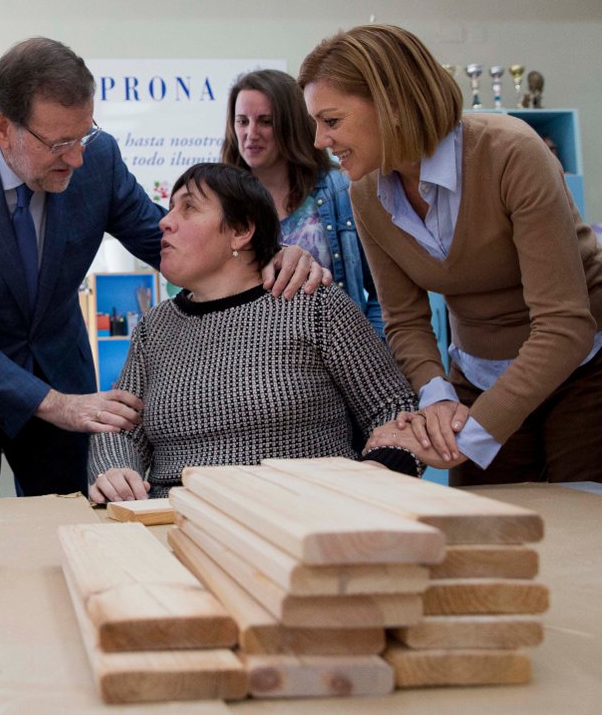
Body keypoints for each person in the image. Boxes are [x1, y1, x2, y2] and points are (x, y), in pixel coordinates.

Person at [0, 37, 328, 502]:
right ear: (2, 128)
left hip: (60, 372)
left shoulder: (97, 161)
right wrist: (54, 403)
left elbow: (164, 240)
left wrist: (267, 252)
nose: (77, 158)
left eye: (84, 135)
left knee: (67, 528)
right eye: (60, 144)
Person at [299, 24, 602, 485]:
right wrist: (437, 398)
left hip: (583, 373)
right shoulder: (364, 193)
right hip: (477, 374)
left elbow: (565, 325)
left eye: (332, 121)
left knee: (580, 526)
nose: (321, 140)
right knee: (482, 531)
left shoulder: (512, 153)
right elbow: (406, 320)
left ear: (393, 105)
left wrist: (467, 436)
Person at [88, 163, 425, 502]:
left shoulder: (312, 302)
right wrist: (116, 470)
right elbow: (121, 426)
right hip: (177, 521)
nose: (165, 221)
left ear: (241, 230)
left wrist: (379, 473)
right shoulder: (154, 327)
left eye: (188, 207)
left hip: (306, 515)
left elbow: (392, 407)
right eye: (171, 207)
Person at [220, 69, 383, 336]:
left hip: (336, 365)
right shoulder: (221, 202)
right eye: (242, 121)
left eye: (265, 121)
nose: (251, 133)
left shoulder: (339, 189)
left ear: (292, 124)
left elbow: (384, 293)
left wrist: (368, 353)